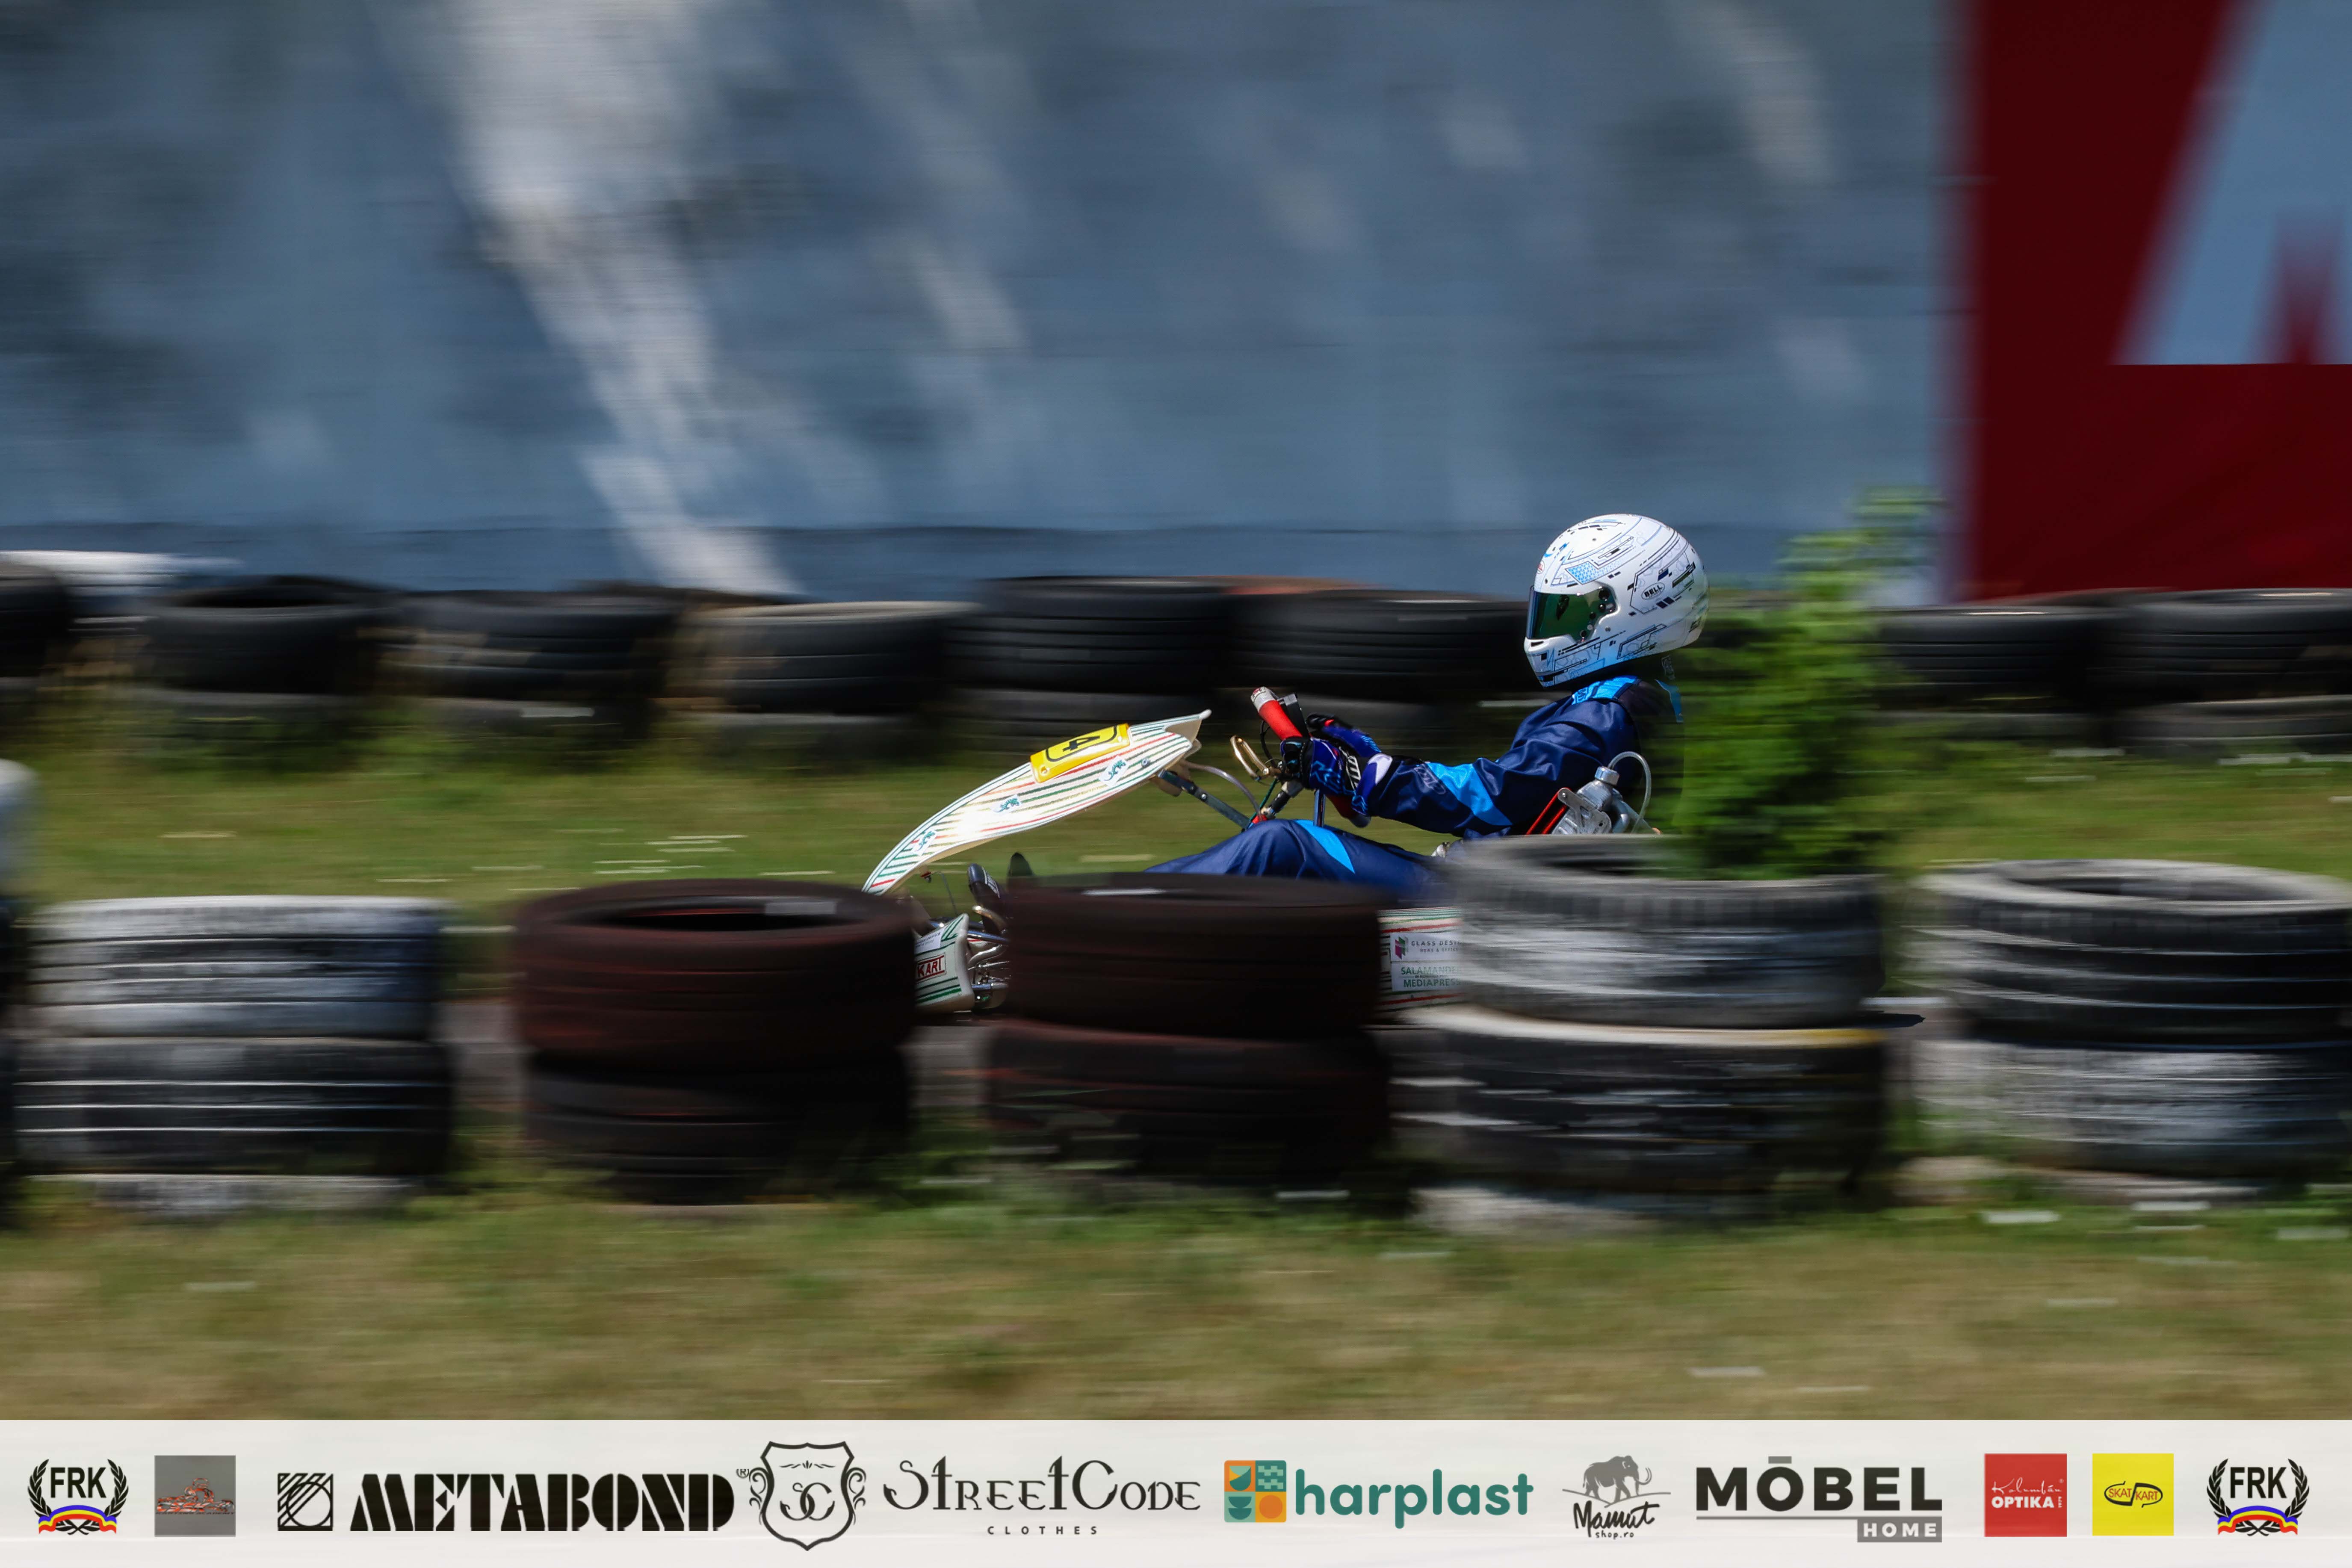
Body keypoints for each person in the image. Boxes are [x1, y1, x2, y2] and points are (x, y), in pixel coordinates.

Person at [1148, 514, 1707, 898]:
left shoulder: (1606, 714)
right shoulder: (1644, 698)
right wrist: (1365, 759)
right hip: (1508, 884)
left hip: (1490, 905)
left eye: (1567, 612)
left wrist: (1367, 776)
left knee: (1282, 845)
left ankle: (1118, 914)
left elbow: (1493, 797)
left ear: (1627, 611)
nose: (1550, 627)